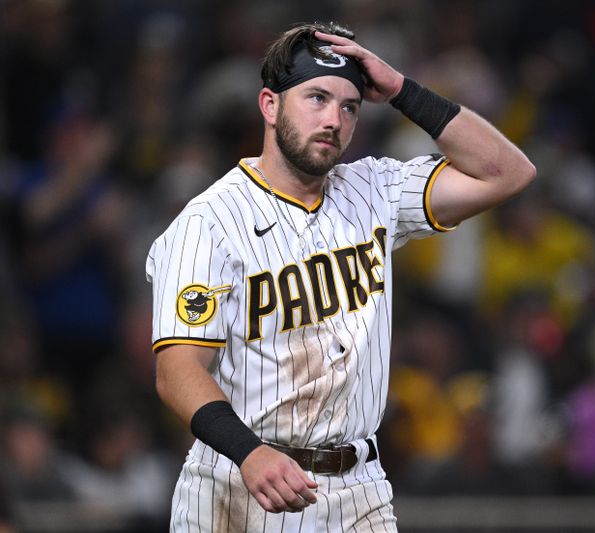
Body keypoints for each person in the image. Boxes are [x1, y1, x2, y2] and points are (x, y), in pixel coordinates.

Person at [146, 21, 535, 532]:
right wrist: (249, 453)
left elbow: (508, 172)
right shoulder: (209, 223)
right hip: (241, 484)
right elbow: (177, 372)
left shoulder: (374, 187)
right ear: (269, 105)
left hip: (359, 487)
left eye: (349, 106)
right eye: (316, 98)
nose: (333, 118)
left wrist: (400, 90)